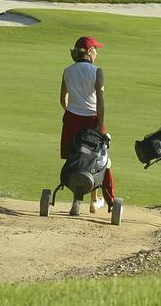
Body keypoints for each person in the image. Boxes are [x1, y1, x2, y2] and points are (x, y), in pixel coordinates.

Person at [60, 36, 116, 216]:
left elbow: (63, 99)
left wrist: (72, 110)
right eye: (96, 49)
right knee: (100, 160)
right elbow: (100, 100)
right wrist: (100, 123)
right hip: (92, 119)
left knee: (76, 159)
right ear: (90, 52)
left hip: (72, 119)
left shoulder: (67, 71)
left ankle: (77, 201)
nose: (97, 53)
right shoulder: (97, 71)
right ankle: (109, 202)